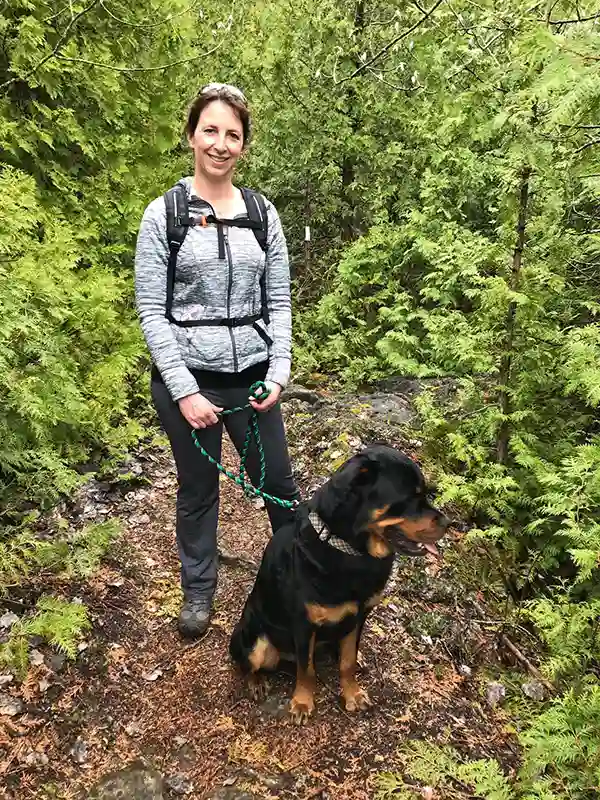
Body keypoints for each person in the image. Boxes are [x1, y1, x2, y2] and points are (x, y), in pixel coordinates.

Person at [134, 83, 299, 639]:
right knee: (199, 488)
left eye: (233, 134)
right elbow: (152, 312)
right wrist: (184, 391)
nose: (221, 144)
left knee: (277, 482)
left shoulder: (262, 214)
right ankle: (198, 593)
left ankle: (299, 580)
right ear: (191, 136)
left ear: (244, 145)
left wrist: (277, 373)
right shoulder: (165, 215)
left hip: (253, 380)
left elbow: (279, 301)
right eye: (211, 130)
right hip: (188, 383)